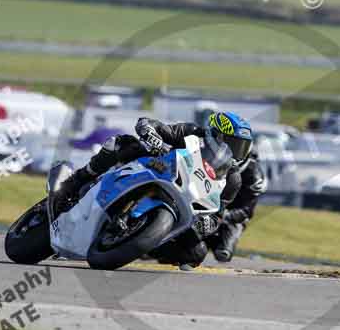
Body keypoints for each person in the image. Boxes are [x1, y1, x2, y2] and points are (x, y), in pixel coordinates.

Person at [51, 110, 253, 267]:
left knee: (195, 253)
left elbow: (218, 212)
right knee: (122, 144)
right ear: (216, 135)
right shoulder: (192, 133)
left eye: (241, 147)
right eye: (234, 144)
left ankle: (142, 246)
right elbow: (152, 125)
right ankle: (76, 181)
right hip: (158, 169)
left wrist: (209, 223)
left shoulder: (233, 178)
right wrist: (151, 133)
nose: (236, 152)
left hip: (184, 200)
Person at [206, 144, 267, 263]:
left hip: (231, 216)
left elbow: (246, 211)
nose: (233, 157)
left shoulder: (255, 177)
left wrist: (224, 215)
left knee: (223, 253)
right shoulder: (214, 160)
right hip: (207, 207)